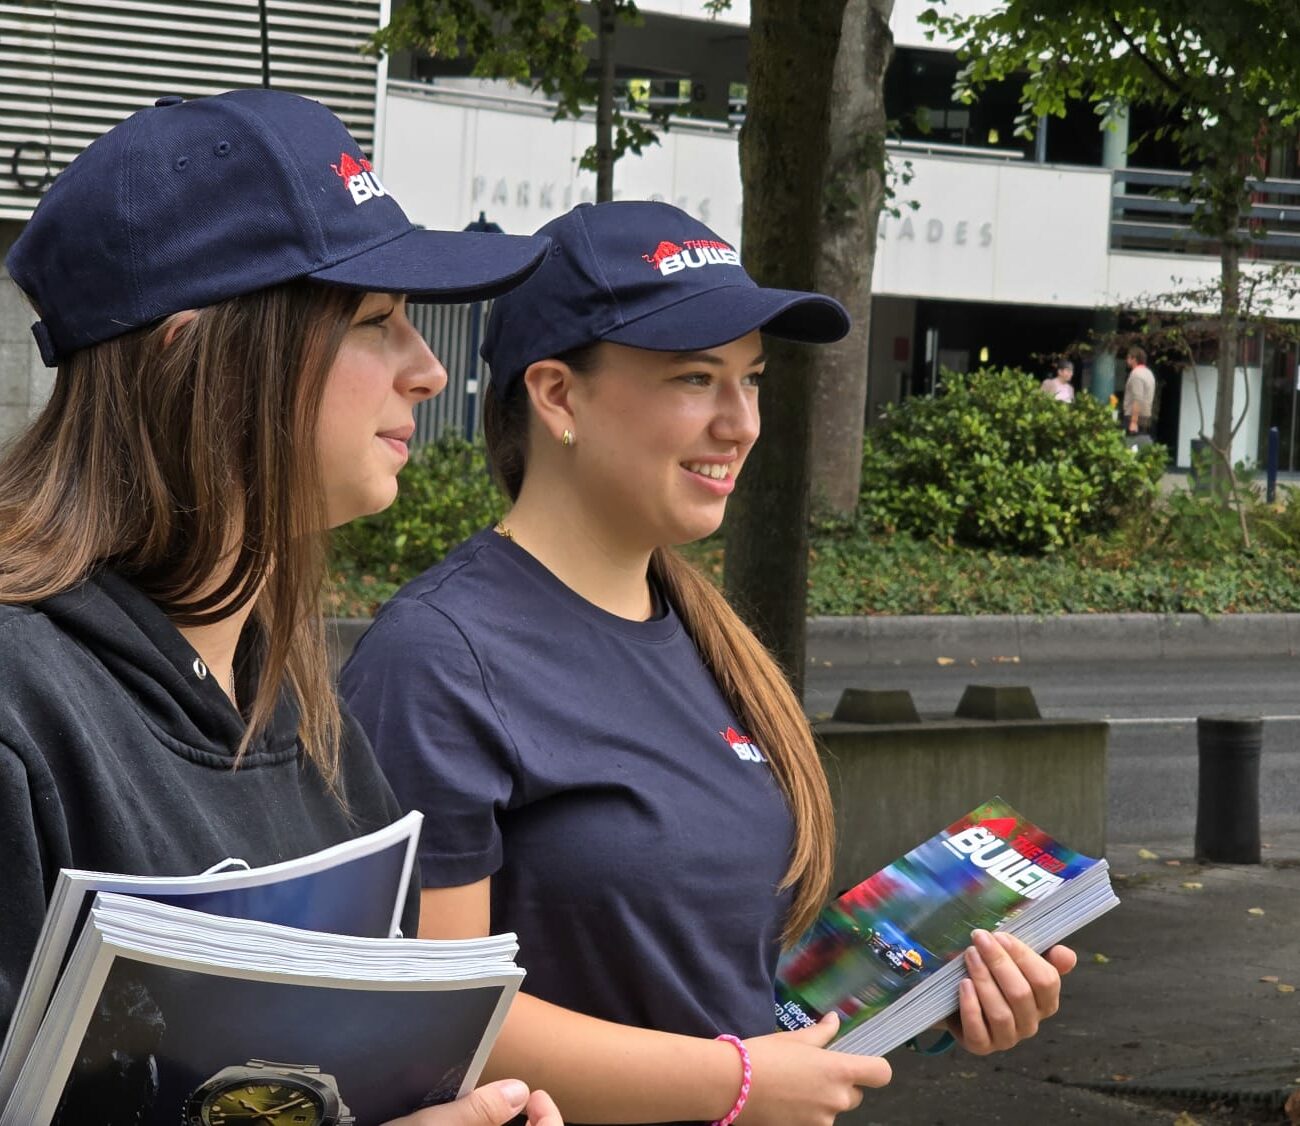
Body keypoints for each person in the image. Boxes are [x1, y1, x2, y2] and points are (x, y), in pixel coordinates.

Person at [341, 200, 1077, 1126]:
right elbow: (436, 1020)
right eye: (696, 378)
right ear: (558, 395)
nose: (742, 424)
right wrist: (734, 1085)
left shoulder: (702, 632)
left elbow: (725, 980)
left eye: (753, 379)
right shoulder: (437, 660)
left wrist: (928, 992)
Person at [0, 89, 562, 1126]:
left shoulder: (291, 691)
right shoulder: (20, 708)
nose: (429, 369)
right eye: (376, 320)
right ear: (195, 361)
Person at [1122, 346, 1156, 443]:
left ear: (1134, 359)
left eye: (1129, 357)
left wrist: (1133, 422)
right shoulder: (1149, 373)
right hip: (1146, 416)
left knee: (1130, 446)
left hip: (1133, 417)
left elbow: (1137, 399)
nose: (1127, 360)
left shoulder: (1136, 374)